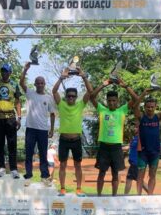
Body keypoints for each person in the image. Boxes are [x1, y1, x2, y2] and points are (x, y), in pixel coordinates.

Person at [90, 78, 138, 196]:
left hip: (116, 148)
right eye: (109, 100)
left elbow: (135, 99)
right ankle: (99, 196)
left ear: (117, 101)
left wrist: (125, 85)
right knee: (101, 173)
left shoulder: (122, 110)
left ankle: (114, 197)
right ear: (106, 101)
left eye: (114, 100)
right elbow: (92, 97)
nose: (111, 103)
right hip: (104, 147)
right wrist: (103, 84)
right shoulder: (102, 109)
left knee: (115, 174)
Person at [52, 67, 92, 196]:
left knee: (78, 166)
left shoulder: (80, 105)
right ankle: (62, 188)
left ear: (76, 97)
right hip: (63, 140)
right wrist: (61, 77)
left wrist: (83, 76)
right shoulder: (61, 104)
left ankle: (79, 188)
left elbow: (90, 92)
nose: (70, 98)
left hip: (76, 140)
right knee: (62, 165)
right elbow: (54, 91)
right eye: (68, 96)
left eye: (73, 96)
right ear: (65, 97)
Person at [19, 61, 57, 186]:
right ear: (35, 84)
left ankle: (44, 176)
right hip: (30, 129)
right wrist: (25, 69)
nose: (40, 84)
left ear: (44, 84)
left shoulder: (48, 98)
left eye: (42, 83)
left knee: (43, 154)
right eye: (38, 83)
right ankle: (28, 176)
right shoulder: (30, 93)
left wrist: (51, 130)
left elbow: (52, 114)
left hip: (43, 130)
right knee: (29, 153)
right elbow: (21, 83)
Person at [134, 88, 161, 195]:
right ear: (145, 107)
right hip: (142, 152)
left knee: (152, 175)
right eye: (148, 107)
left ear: (155, 107)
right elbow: (135, 107)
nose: (150, 109)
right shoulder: (141, 117)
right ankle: (138, 196)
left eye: (152, 107)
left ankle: (150, 196)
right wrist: (143, 93)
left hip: (154, 152)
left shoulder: (158, 117)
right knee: (140, 175)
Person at [123, 121, 148, 195]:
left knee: (132, 180)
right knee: (136, 180)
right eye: (135, 127)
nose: (134, 128)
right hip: (133, 163)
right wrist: (118, 148)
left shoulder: (141, 138)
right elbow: (128, 147)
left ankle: (125, 196)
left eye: (136, 127)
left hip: (137, 163)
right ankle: (151, 194)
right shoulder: (135, 138)